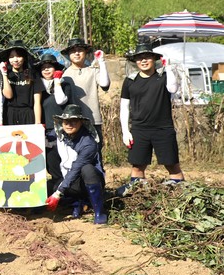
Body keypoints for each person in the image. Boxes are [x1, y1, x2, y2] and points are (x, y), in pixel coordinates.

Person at [117, 43, 185, 196]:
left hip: (163, 129)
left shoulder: (164, 77)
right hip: (139, 129)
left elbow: (173, 89)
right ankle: (139, 198)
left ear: (154, 59)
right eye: (140, 58)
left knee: (172, 165)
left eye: (147, 57)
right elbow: (124, 107)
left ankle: (179, 196)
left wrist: (168, 68)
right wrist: (125, 132)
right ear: (135, 61)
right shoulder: (130, 81)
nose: (143, 61)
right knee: (137, 167)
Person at [45, 104, 108, 224]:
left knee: (87, 169)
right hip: (69, 179)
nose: (69, 125)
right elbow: (44, 138)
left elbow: (76, 169)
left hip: (86, 180)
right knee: (49, 186)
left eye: (73, 121)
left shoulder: (88, 142)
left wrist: (58, 194)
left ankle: (99, 211)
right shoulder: (60, 133)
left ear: (81, 122)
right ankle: (76, 202)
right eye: (66, 122)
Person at [61, 37, 110, 150]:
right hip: (72, 123)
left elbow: (104, 83)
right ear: (68, 54)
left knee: (95, 153)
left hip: (92, 120)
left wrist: (101, 61)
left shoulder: (93, 71)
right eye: (73, 51)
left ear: (86, 53)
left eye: (80, 50)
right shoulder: (64, 75)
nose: (77, 53)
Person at [35, 53, 71, 193]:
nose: (46, 69)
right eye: (43, 67)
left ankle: (69, 192)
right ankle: (57, 191)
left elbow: (60, 100)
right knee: (52, 164)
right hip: (46, 130)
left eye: (49, 66)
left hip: (62, 130)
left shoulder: (64, 84)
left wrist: (57, 82)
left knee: (66, 162)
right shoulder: (38, 87)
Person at [0, 40, 42, 125]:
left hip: (28, 114)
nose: (15, 60)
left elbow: (37, 101)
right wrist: (4, 74)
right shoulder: (5, 74)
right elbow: (8, 95)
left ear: (24, 57)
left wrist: (38, 123)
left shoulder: (33, 74)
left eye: (18, 56)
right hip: (9, 114)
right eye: (12, 57)